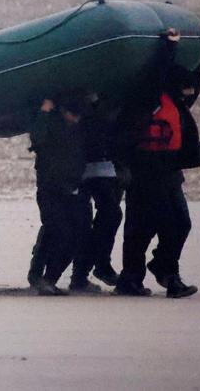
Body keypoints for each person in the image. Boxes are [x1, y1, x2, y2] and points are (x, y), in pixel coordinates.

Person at [116, 30, 200, 298]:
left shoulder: (175, 103)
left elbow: (181, 134)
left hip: (168, 171)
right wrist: (169, 47)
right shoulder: (145, 97)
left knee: (178, 224)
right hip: (145, 170)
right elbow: (158, 74)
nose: (188, 92)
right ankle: (162, 276)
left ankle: (151, 271)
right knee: (149, 226)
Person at [28, 93, 85, 296]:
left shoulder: (76, 128)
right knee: (59, 231)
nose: (76, 119)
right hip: (50, 188)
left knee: (71, 234)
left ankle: (48, 278)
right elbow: (37, 136)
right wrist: (44, 112)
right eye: (73, 115)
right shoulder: (51, 124)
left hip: (70, 188)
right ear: (64, 111)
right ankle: (41, 276)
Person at [68, 93, 122, 292]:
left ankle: (96, 267)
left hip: (102, 166)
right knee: (89, 222)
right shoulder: (86, 109)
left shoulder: (104, 106)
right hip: (83, 169)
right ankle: (85, 273)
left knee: (110, 215)